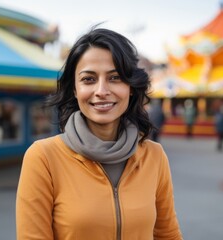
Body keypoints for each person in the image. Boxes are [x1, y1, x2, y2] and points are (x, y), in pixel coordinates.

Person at [16, 28, 182, 239]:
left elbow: (168, 234)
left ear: (130, 87)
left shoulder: (154, 155)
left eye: (114, 78)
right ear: (75, 89)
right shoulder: (43, 157)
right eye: (88, 79)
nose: (101, 90)